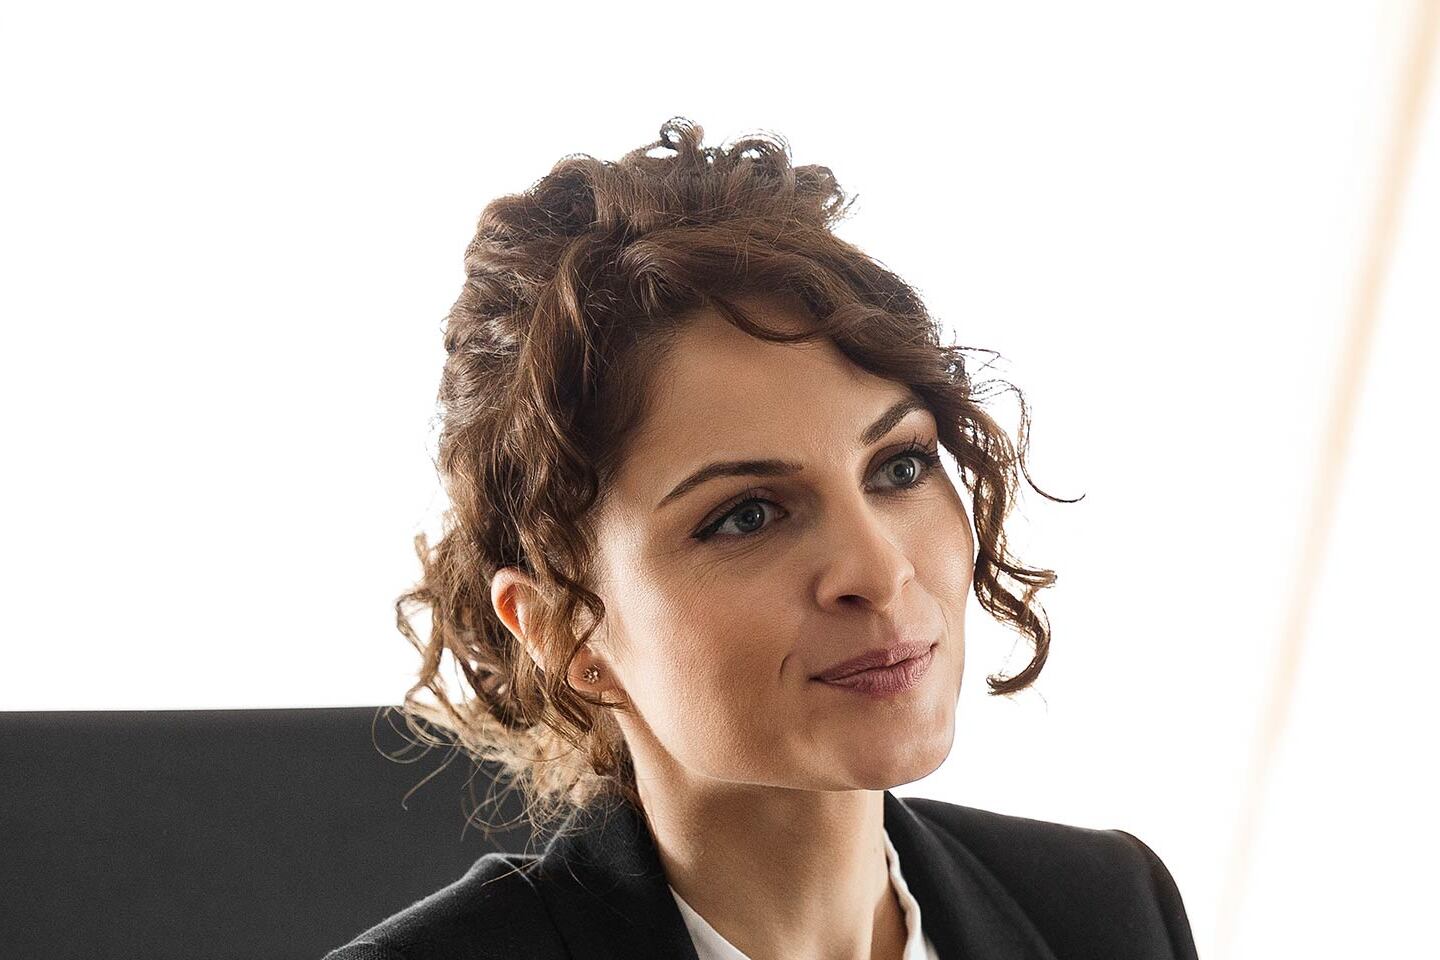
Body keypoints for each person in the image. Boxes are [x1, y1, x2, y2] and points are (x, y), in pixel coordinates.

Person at [322, 117, 1198, 960]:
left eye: (898, 468)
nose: (880, 569)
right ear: (559, 628)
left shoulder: (1108, 909)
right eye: (746, 514)